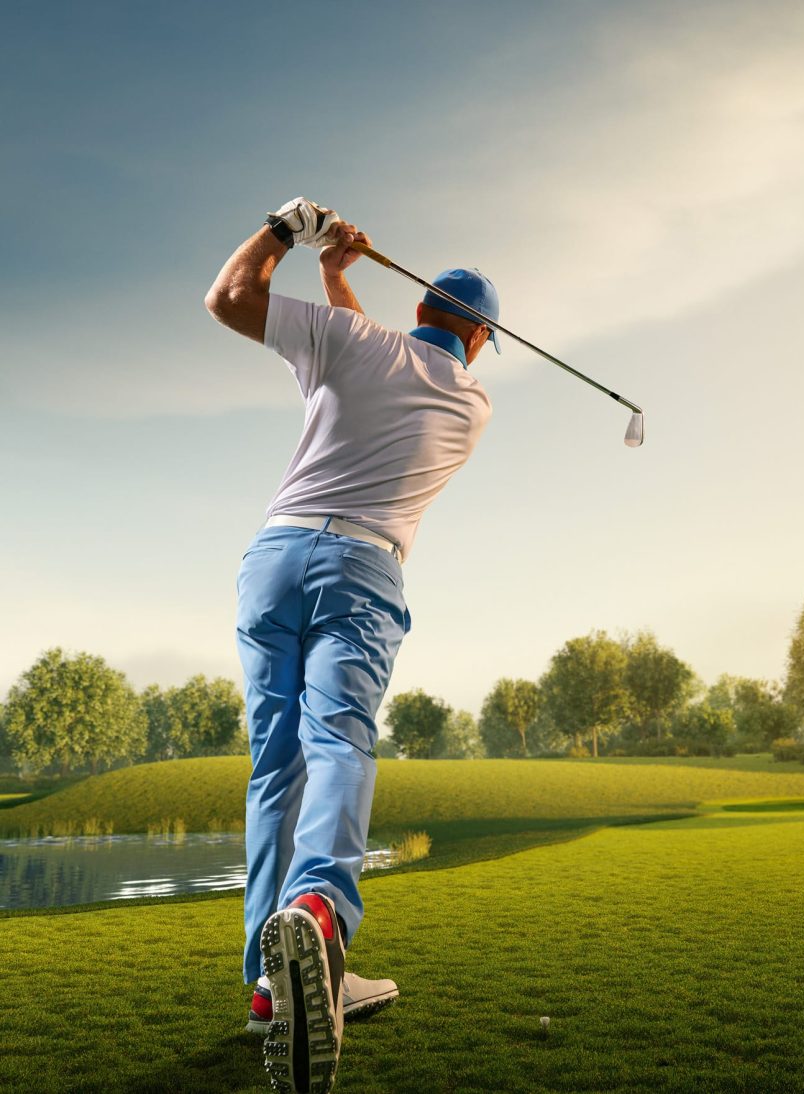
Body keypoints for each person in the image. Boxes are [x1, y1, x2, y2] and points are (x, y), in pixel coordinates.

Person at [204, 196, 496, 1094]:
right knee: (339, 743)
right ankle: (319, 922)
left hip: (274, 557)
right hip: (361, 569)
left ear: (417, 310)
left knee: (275, 762)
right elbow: (394, 361)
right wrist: (338, 278)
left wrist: (294, 236)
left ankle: (269, 978)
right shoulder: (471, 402)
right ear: (479, 340)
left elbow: (229, 296)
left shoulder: (356, 343)